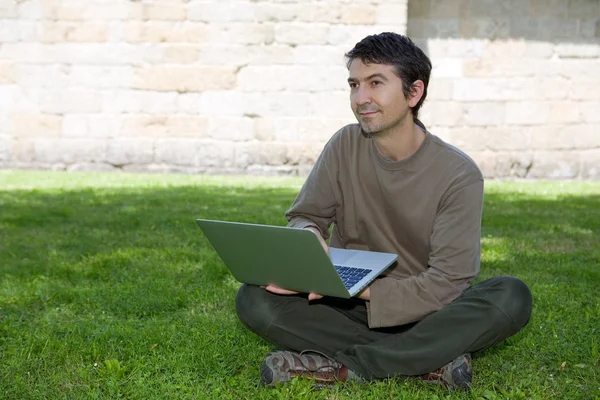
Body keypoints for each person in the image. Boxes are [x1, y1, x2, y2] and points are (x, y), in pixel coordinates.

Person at [234, 32, 533, 391]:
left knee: (510, 295)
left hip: (423, 311)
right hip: (344, 308)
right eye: (354, 85)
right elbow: (306, 216)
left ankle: (345, 368)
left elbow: (447, 282)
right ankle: (427, 362)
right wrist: (309, 249)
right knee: (253, 299)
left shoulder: (459, 174)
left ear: (413, 93)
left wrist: (355, 288)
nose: (361, 99)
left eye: (375, 83)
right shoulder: (344, 144)